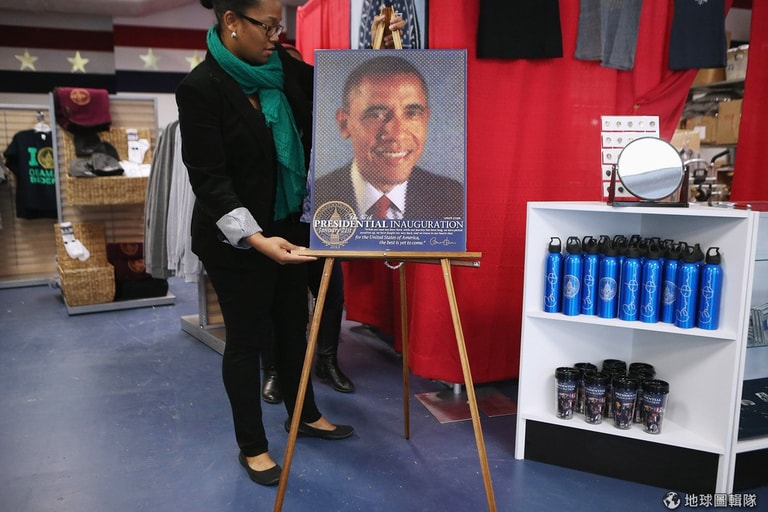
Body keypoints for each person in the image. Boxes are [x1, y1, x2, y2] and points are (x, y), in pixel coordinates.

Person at [176, 0, 403, 487]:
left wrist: (383, 47)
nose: (275, 36)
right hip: (235, 239)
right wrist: (256, 239)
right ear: (231, 22)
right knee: (246, 339)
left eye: (279, 25)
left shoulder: (289, 73)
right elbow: (210, 180)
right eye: (267, 26)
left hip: (291, 226)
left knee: (292, 327)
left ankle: (305, 415)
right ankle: (252, 447)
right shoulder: (201, 89)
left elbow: (350, 88)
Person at [260, 43, 354, 401]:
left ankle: (327, 362)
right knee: (278, 300)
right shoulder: (267, 112)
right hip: (279, 220)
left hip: (322, 219)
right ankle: (273, 370)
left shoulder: (325, 119)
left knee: (330, 293)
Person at [313, 55, 464, 220]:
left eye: (412, 113)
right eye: (376, 115)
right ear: (344, 124)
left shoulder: (452, 197)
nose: (397, 134)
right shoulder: (316, 196)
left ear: (426, 119)